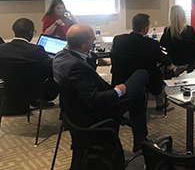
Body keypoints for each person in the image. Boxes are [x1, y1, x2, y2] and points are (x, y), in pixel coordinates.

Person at [53, 24, 150, 152]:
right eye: (92, 38)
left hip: (71, 111)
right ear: (83, 45)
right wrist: (117, 91)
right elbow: (94, 99)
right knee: (141, 74)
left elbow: (86, 66)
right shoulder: (76, 67)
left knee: (138, 97)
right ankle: (141, 141)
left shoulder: (60, 56)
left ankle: (140, 140)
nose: (94, 40)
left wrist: (99, 61)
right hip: (97, 111)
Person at [112, 13, 185, 111]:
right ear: (145, 29)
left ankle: (172, 70)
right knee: (161, 69)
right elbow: (165, 59)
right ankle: (161, 102)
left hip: (120, 75)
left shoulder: (118, 40)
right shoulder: (151, 44)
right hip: (144, 78)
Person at [0, 18, 58, 107]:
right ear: (30, 32)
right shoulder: (36, 50)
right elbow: (51, 68)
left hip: (10, 90)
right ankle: (41, 100)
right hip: (36, 92)